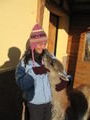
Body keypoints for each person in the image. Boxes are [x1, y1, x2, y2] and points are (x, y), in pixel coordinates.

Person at [15, 24, 52, 120]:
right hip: (34, 105)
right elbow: (21, 83)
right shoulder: (24, 62)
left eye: (44, 43)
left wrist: (65, 77)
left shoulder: (49, 57)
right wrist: (33, 72)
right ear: (33, 44)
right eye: (39, 44)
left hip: (49, 102)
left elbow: (59, 70)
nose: (42, 47)